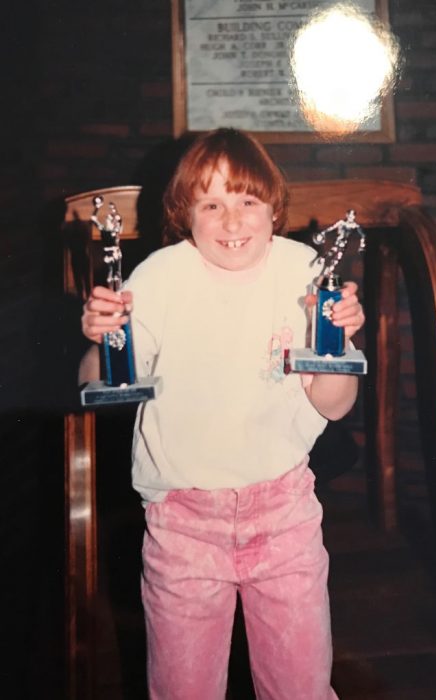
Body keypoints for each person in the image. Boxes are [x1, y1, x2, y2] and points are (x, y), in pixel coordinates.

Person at [80, 127, 365, 700]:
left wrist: (335, 346)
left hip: (284, 513)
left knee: (301, 688)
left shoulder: (305, 273)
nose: (232, 221)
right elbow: (96, 383)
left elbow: (334, 407)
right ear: (186, 213)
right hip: (184, 523)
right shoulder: (160, 278)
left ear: (273, 208)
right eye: (212, 204)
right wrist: (100, 340)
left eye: (247, 202)